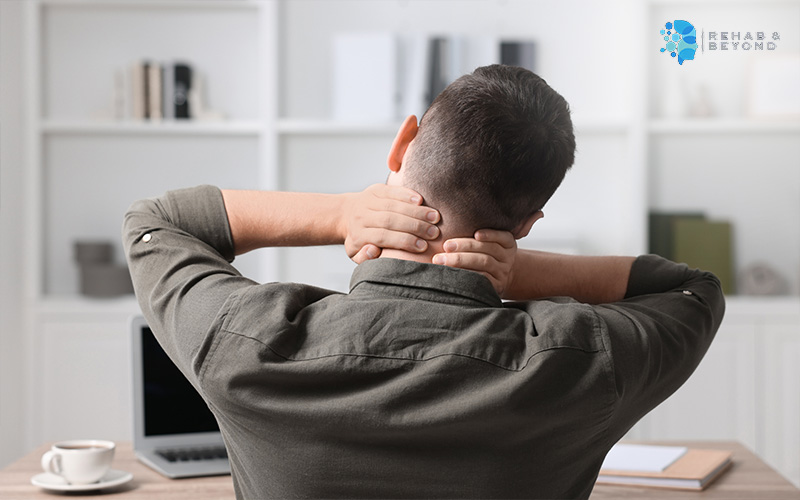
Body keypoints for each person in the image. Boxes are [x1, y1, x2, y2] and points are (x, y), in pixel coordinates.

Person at [123, 65, 724, 499]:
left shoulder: (246, 343)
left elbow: (158, 222)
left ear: (404, 141)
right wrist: (518, 269)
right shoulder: (584, 360)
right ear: (527, 222)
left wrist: (339, 215)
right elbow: (691, 288)